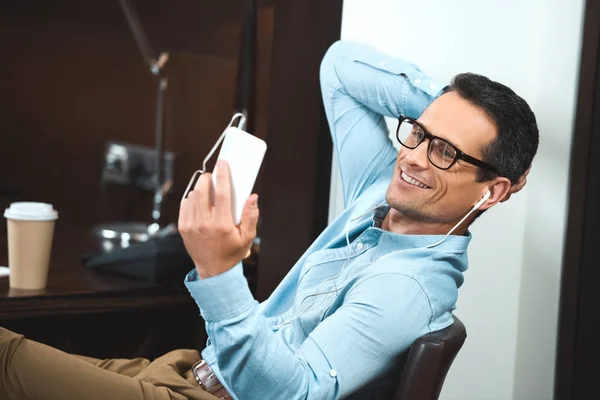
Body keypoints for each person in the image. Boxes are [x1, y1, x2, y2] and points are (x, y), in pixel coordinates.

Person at [0, 40, 538, 400]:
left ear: (491, 192)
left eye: (445, 152)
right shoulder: (385, 188)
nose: (416, 156)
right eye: (417, 134)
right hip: (187, 368)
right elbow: (340, 67)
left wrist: (220, 273)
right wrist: (442, 111)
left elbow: (291, 393)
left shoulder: (406, 288)